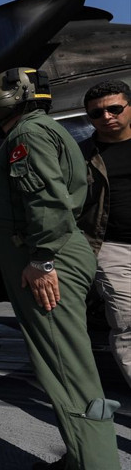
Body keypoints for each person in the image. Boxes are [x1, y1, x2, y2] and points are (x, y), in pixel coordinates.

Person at [0, 67, 121, 470]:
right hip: (47, 252)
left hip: (44, 258)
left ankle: (97, 466)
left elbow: (47, 202)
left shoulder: (27, 134)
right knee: (60, 366)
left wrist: (42, 261)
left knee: (68, 371)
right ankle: (81, 458)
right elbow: (30, 201)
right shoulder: (40, 130)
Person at [77, 80, 131, 387]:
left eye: (114, 108)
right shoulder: (83, 155)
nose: (107, 116)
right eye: (97, 113)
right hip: (113, 248)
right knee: (127, 326)